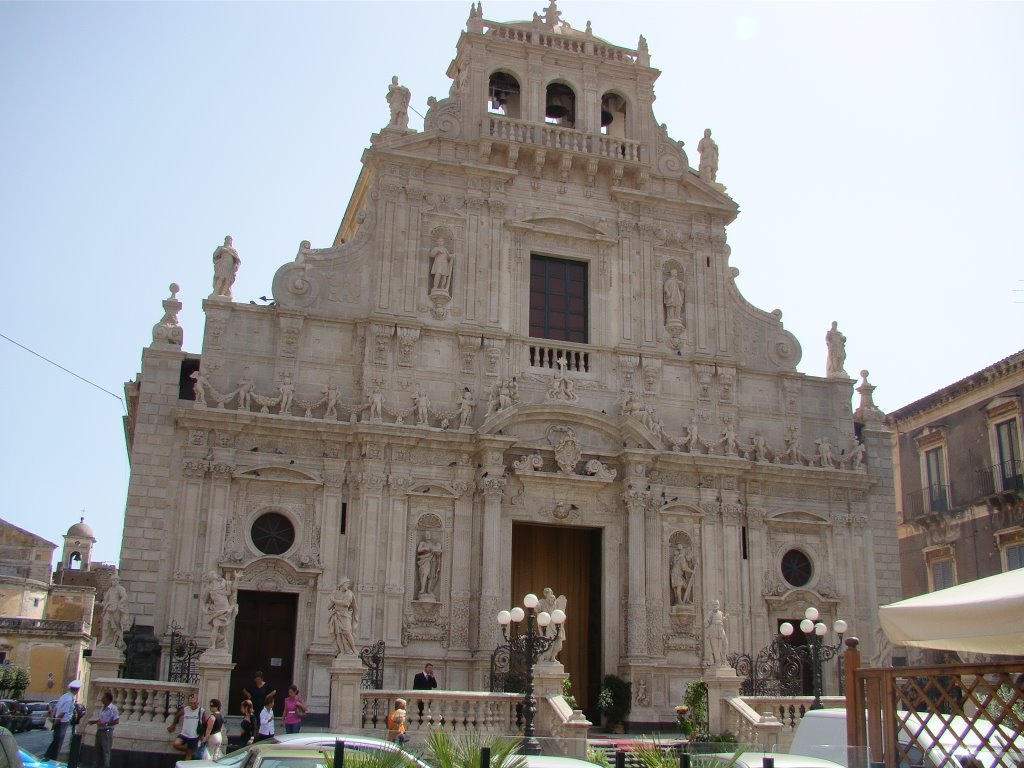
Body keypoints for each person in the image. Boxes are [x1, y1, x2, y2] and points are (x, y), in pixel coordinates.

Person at [44, 678, 81, 760]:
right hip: (62, 722)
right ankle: (50, 758)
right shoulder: (69, 699)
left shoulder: (64, 696)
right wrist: (55, 722)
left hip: (59, 721)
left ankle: (48, 757)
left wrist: (53, 719)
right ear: (77, 690)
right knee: (58, 742)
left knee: (56, 740)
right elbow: (63, 713)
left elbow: (56, 709)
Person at [202, 570, 239, 650]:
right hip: (216, 610)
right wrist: (204, 609)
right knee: (216, 626)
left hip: (226, 609)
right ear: (209, 577)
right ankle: (212, 646)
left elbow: (234, 588)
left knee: (224, 629)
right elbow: (204, 600)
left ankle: (223, 645)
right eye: (212, 574)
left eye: (214, 573)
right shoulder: (209, 588)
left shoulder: (224, 583)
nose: (214, 574)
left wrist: (236, 578)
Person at [168, 691, 207, 761]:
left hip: (194, 736)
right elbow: (177, 716)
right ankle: (189, 750)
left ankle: (189, 756)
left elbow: (204, 723)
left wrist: (202, 735)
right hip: (184, 734)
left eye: (194, 703)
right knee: (176, 744)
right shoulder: (186, 709)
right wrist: (173, 724)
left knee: (188, 757)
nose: (192, 705)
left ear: (197, 703)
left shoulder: (201, 710)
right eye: (191, 703)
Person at [87, 690, 119, 768]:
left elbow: (116, 721)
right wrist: (94, 722)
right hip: (100, 731)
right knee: (97, 750)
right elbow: (101, 719)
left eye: (103, 698)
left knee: (106, 751)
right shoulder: (102, 708)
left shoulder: (113, 709)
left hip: (107, 731)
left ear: (108, 699)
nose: (102, 699)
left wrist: (105, 724)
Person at [328, 579, 359, 655]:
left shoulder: (349, 593)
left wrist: (334, 600)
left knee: (347, 631)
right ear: (342, 584)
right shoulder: (335, 593)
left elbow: (346, 603)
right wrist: (331, 601)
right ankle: (341, 651)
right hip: (336, 614)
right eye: (347, 584)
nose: (348, 585)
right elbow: (329, 607)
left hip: (345, 614)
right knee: (338, 634)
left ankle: (353, 648)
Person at [99, 574, 128, 650]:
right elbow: (106, 599)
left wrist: (120, 604)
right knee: (106, 624)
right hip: (109, 608)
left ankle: (113, 642)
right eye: (112, 580)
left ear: (118, 581)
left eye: (115, 580)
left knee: (115, 626)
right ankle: (104, 640)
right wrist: (102, 604)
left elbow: (124, 597)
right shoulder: (110, 589)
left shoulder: (120, 589)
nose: (113, 581)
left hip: (116, 610)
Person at [415, 533, 442, 599]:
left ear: (430, 535)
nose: (427, 535)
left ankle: (429, 590)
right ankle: (422, 589)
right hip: (424, 560)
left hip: (433, 560)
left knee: (431, 575)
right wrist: (425, 548)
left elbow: (438, 552)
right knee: (424, 573)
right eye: (426, 534)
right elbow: (419, 550)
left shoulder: (433, 544)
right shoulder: (422, 543)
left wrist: (436, 549)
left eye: (428, 534)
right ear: (424, 536)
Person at [706, 600, 729, 665]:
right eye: (714, 604)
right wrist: (707, 621)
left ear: (718, 605)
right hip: (713, 630)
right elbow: (707, 621)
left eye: (716, 604)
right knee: (715, 646)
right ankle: (718, 661)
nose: (715, 606)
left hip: (721, 629)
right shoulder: (710, 613)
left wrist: (725, 618)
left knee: (725, 643)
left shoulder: (721, 613)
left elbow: (722, 620)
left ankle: (724, 659)